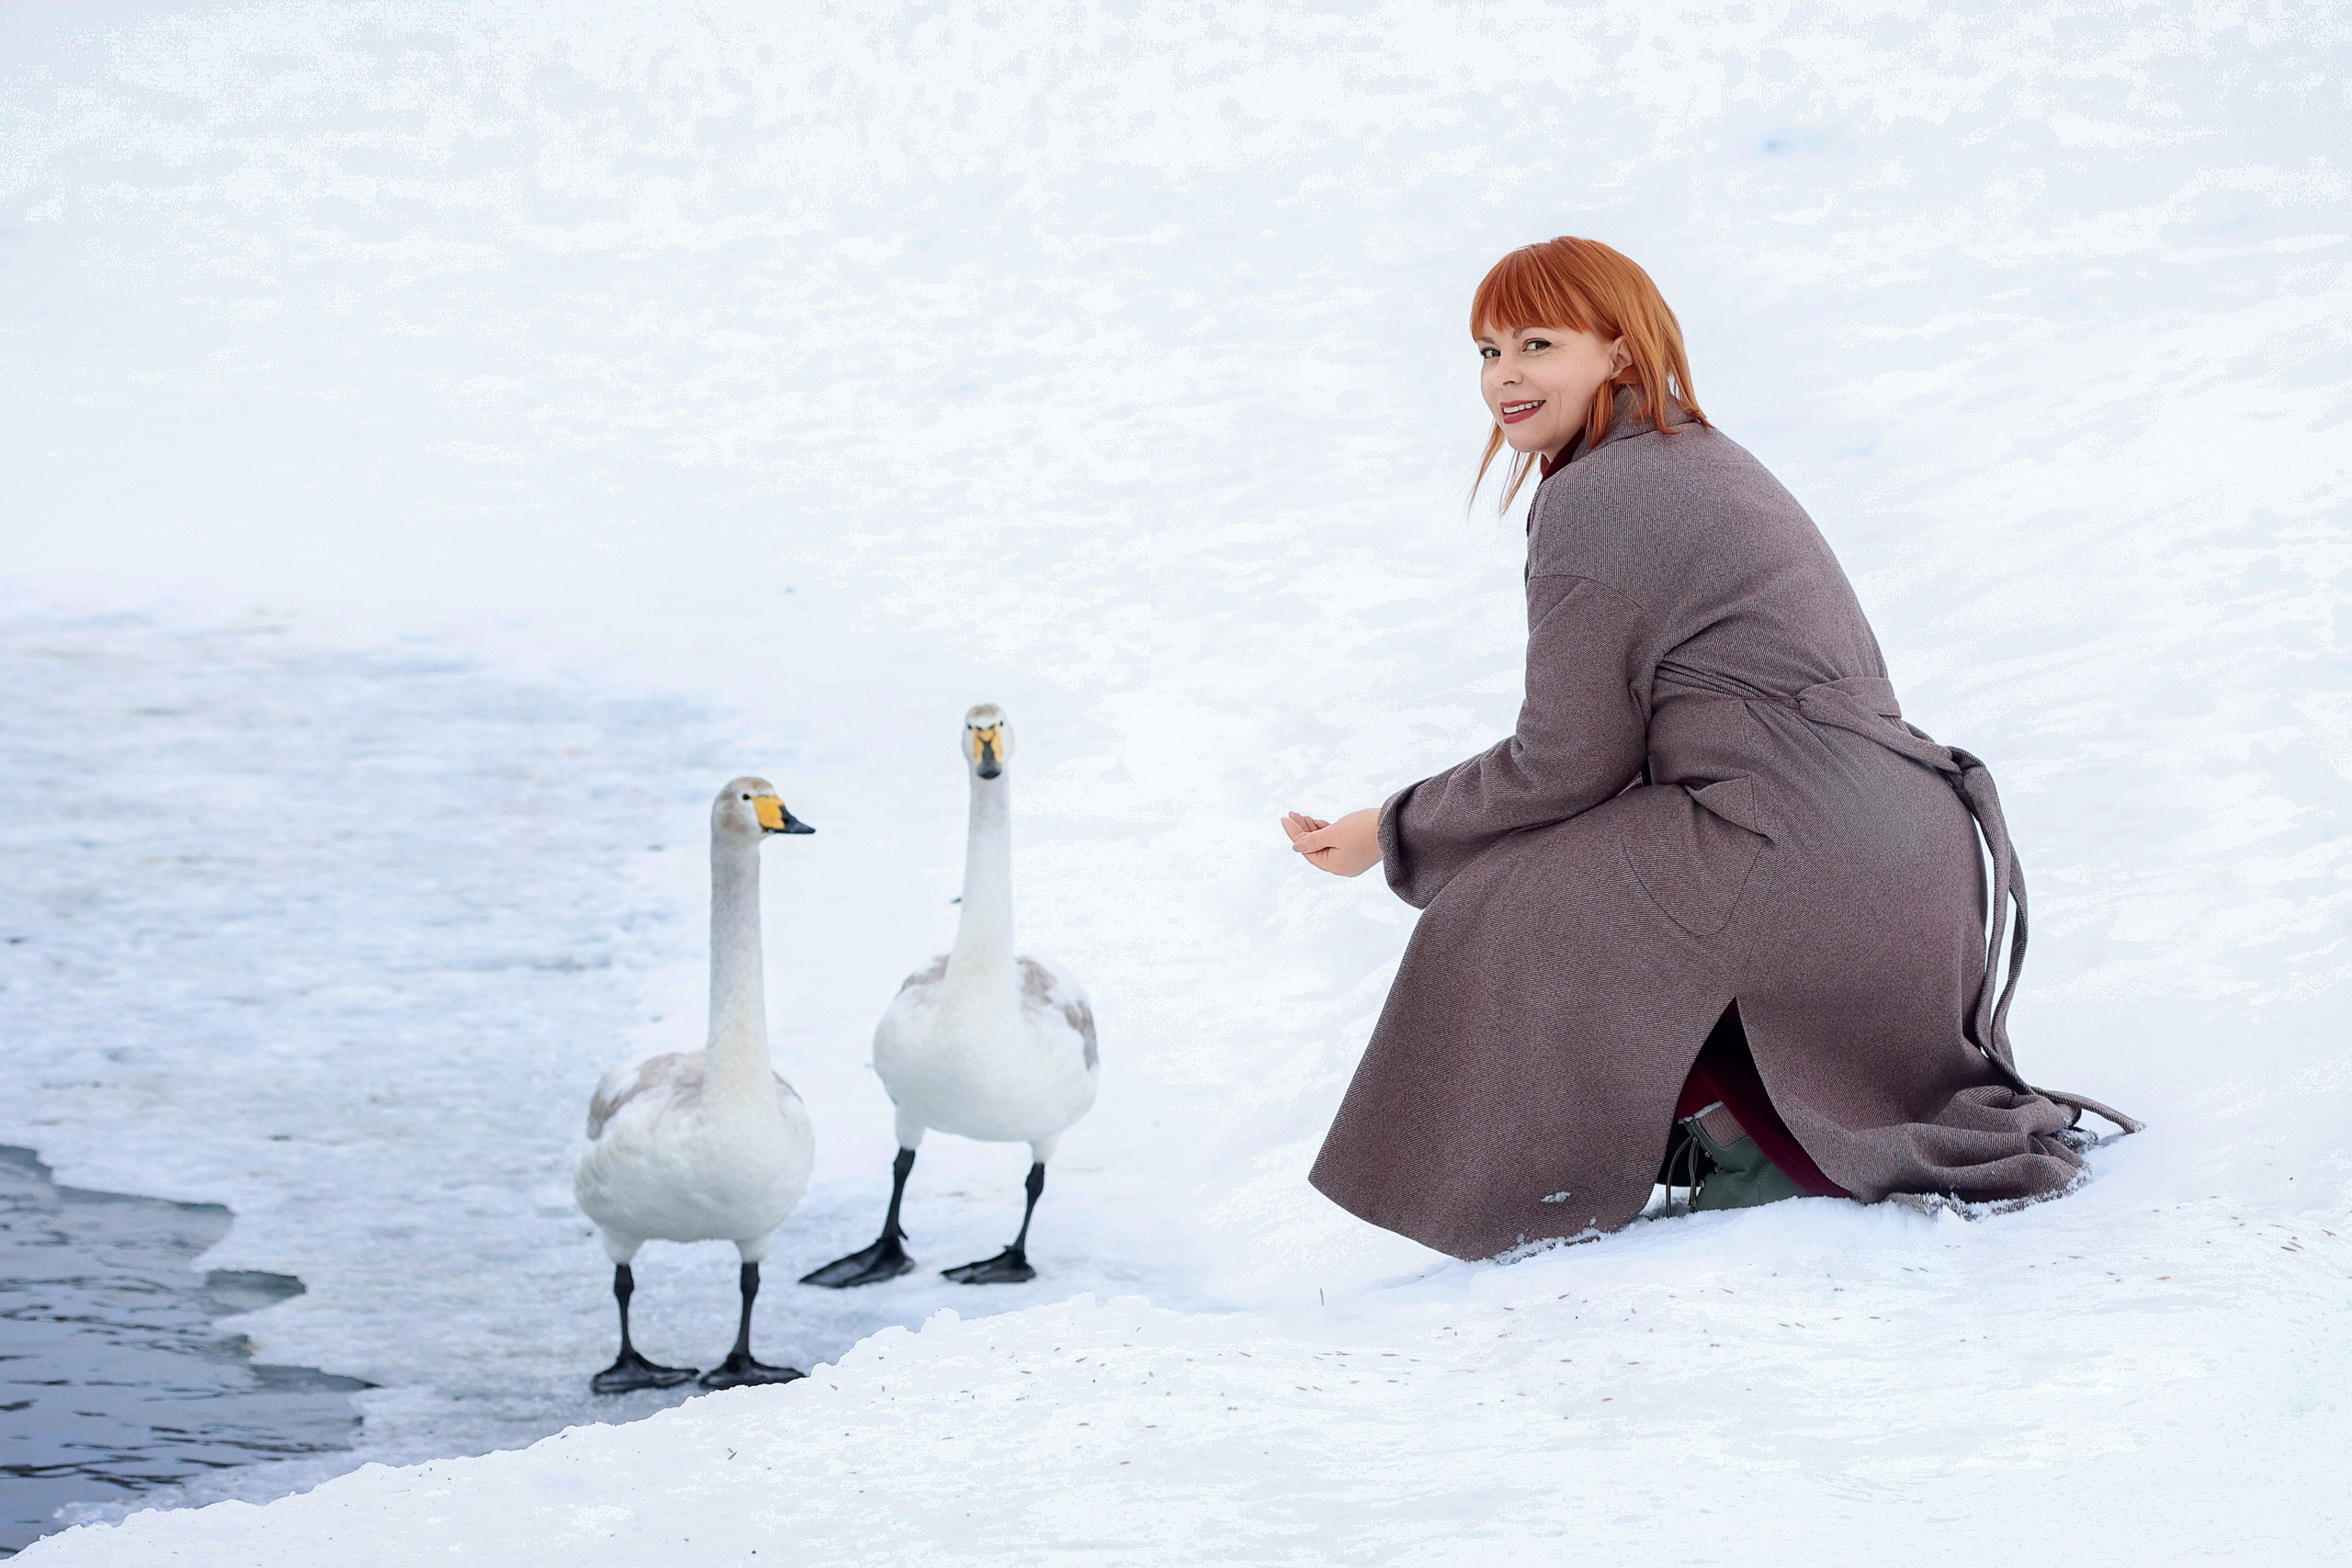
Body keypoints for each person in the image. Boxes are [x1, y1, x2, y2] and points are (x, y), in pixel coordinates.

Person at [1281, 236, 2136, 1261]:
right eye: (1487, 350)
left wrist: (1390, 829)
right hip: (1909, 854)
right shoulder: (1699, 455)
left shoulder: (1597, 493)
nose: (1503, 375)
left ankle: (1747, 1141)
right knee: (1585, 862)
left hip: (1798, 847)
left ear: (1619, 352)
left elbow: (1566, 759)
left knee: (1503, 901)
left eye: (1538, 344)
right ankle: (1731, 1125)